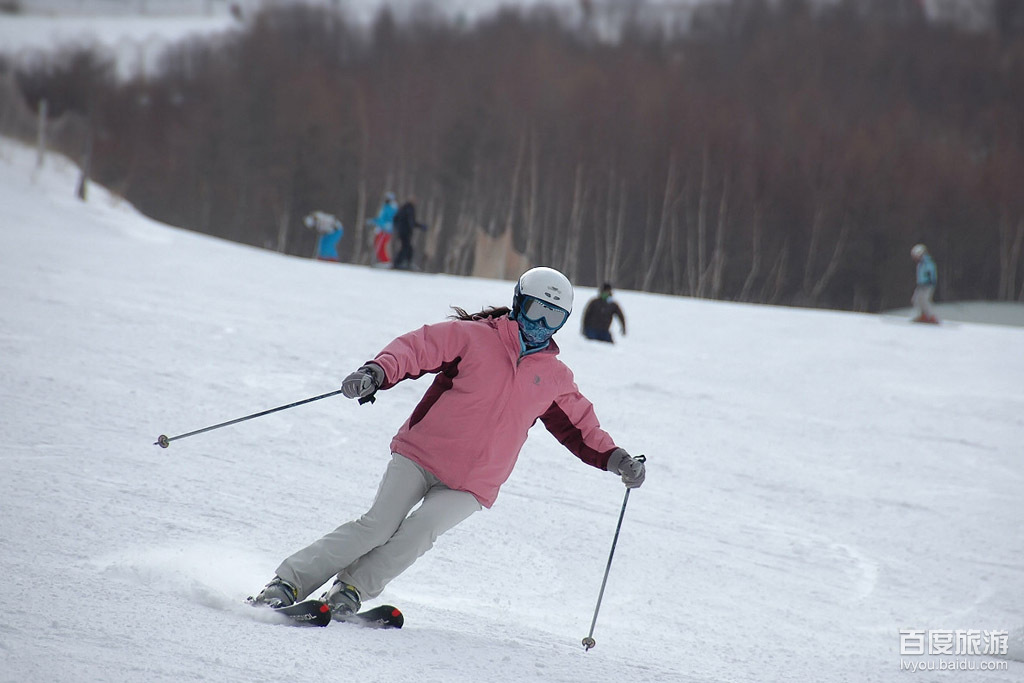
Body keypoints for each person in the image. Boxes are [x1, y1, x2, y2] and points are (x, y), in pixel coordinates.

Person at [251, 267, 647, 618]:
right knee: (376, 527)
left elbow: (582, 428)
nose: (541, 323)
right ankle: (287, 583)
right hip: (421, 456)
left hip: (473, 483)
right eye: (535, 310)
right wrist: (376, 372)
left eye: (554, 316)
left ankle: (351, 590)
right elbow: (416, 347)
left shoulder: (554, 376)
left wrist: (618, 459)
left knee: (419, 533)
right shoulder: (472, 337)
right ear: (517, 303)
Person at [391, 196, 427, 270]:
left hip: (401, 231)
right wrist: (420, 226)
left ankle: (402, 262)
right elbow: (411, 222)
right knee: (406, 247)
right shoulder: (409, 209)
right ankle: (401, 263)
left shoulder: (403, 208)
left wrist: (398, 227)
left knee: (407, 247)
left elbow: (396, 219)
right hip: (405, 231)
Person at [367, 192, 398, 267]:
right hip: (381, 229)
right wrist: (374, 221)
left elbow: (392, 219)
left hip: (386, 230)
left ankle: (386, 261)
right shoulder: (385, 206)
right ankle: (383, 261)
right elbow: (381, 219)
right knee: (377, 244)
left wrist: (387, 225)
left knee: (380, 245)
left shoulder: (392, 207)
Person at [910, 243, 939, 324]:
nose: (915, 258)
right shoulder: (921, 263)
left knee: (924, 300)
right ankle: (923, 315)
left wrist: (929, 281)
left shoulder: (927, 262)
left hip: (927, 285)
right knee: (916, 299)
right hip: (921, 285)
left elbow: (931, 273)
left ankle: (931, 316)